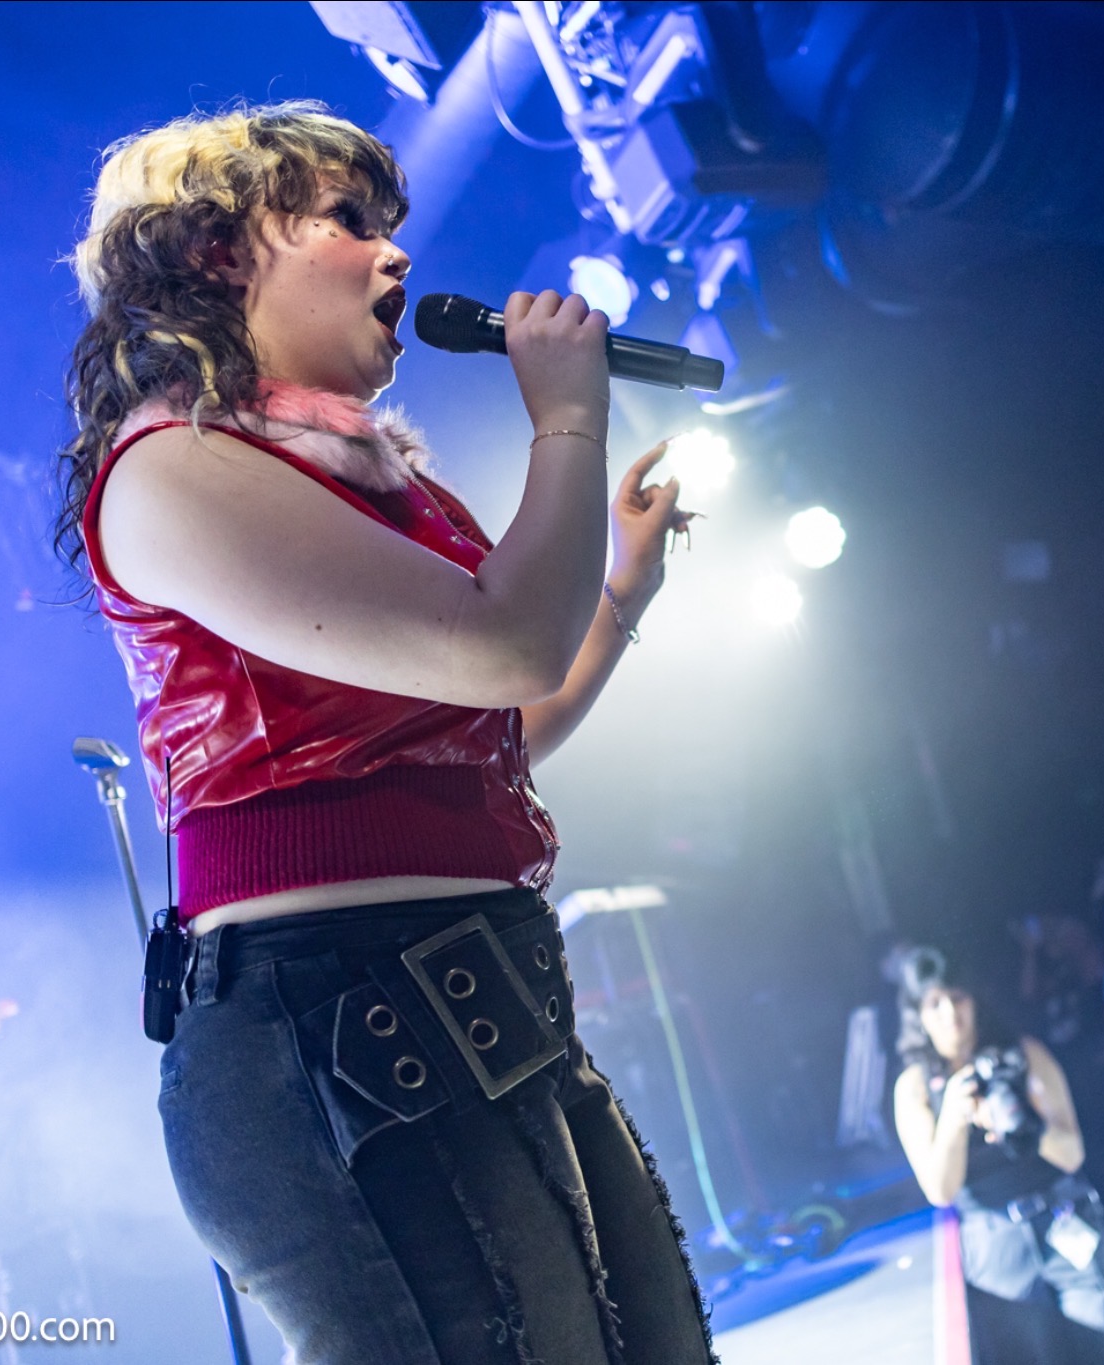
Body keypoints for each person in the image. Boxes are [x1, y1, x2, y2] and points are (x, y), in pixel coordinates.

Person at [59, 103, 710, 1363]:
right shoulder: (171, 466)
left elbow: (493, 728)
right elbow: (507, 645)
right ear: (215, 253)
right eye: (347, 221)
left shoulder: (374, 482)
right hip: (331, 1025)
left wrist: (620, 595)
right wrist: (567, 422)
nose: (395, 253)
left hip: (487, 996)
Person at [892, 950, 1104, 1365]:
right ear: (918, 1016)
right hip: (994, 1243)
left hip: (1062, 1219)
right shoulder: (914, 1087)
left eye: (957, 998)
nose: (950, 1014)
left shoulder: (1021, 1054)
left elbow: (1072, 1154)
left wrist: (1022, 1126)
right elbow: (939, 1189)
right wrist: (955, 1117)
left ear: (973, 1000)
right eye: (934, 1004)